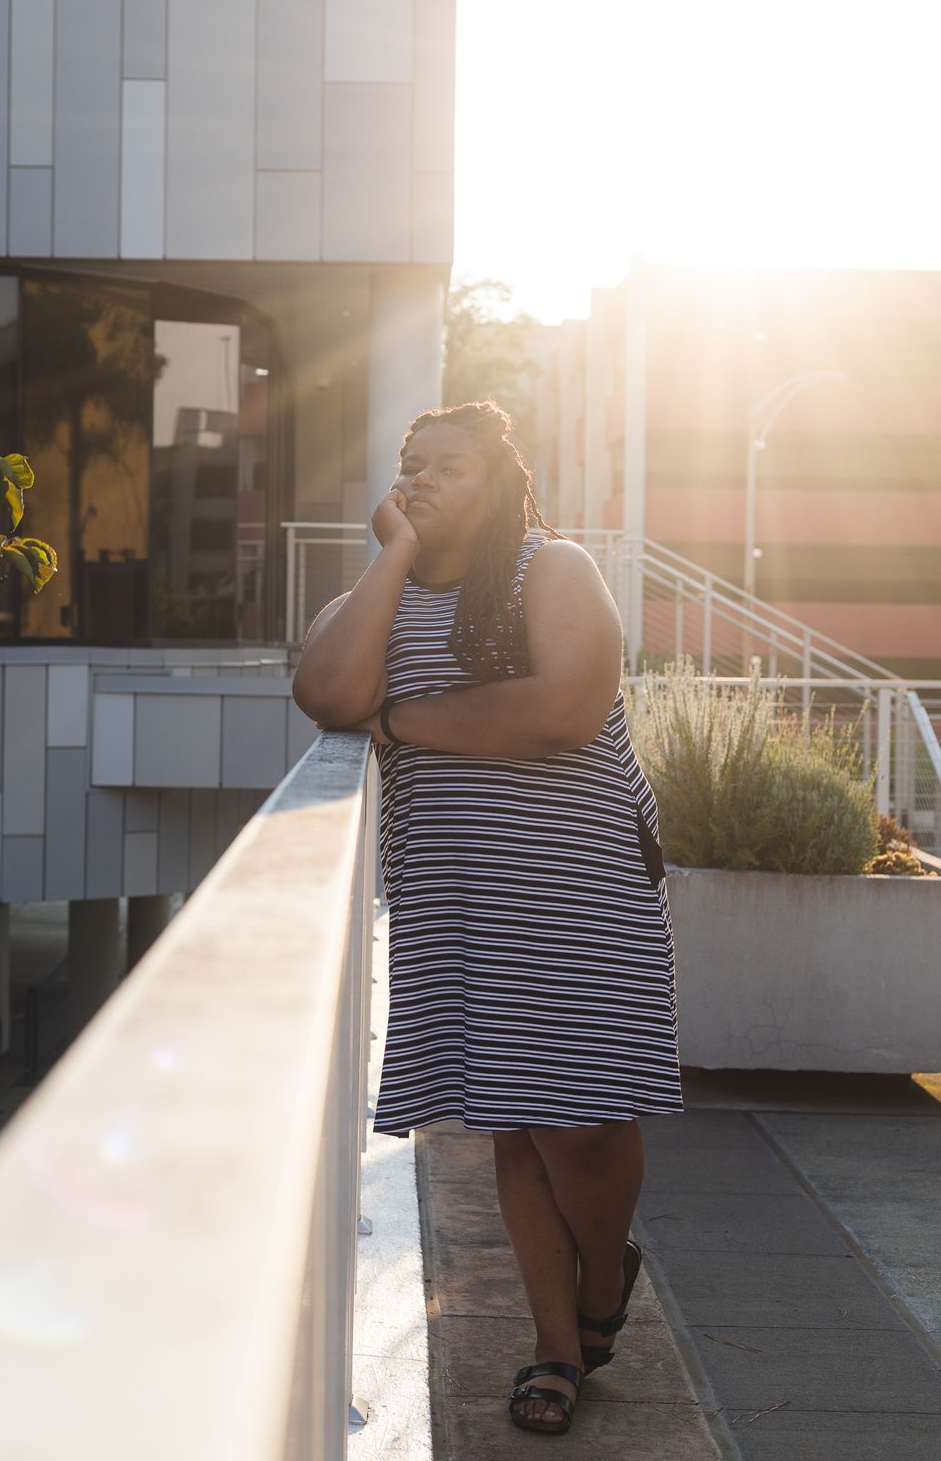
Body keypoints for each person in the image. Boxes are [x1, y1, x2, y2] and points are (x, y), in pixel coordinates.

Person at [292, 400, 682, 1437]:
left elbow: (564, 708)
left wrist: (397, 719)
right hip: (456, 896)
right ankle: (558, 1345)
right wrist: (394, 554)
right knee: (518, 1119)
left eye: (448, 466)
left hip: (582, 887)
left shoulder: (550, 570)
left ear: (499, 482)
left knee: (584, 1126)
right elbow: (324, 691)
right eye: (410, 463)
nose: (419, 477)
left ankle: (602, 1279)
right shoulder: (380, 595)